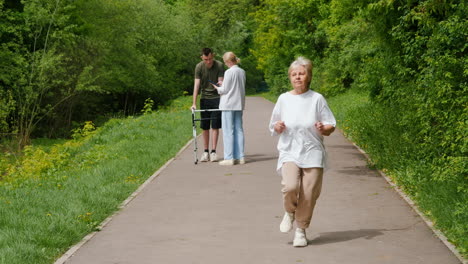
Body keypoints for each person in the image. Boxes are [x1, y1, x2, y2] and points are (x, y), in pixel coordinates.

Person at [269, 57, 336, 247]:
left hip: (313, 150)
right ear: (290, 77)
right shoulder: (284, 99)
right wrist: (278, 126)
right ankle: (290, 212)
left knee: (309, 192)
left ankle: (301, 229)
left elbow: (331, 125)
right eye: (294, 74)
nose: (297, 77)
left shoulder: (317, 99)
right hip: (290, 150)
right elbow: (273, 125)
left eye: (301, 73)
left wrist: (324, 128)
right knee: (290, 186)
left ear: (308, 76)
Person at [211, 52, 246, 166]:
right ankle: (240, 157)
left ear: (229, 61)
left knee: (227, 131)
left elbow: (224, 90)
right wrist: (223, 83)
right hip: (238, 103)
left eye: (226, 62)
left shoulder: (229, 72)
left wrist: (217, 87)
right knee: (239, 130)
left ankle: (229, 157)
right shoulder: (242, 72)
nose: (226, 64)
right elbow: (235, 86)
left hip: (228, 104)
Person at [191, 48, 225, 162]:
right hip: (204, 98)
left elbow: (221, 84)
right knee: (205, 126)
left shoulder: (219, 65)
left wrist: (222, 99)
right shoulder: (199, 67)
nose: (209, 62)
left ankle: (213, 151)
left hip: (216, 98)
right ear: (202, 57)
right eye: (206, 59)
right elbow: (196, 85)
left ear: (213, 56)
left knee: (215, 125)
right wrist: (194, 103)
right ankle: (205, 152)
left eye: (210, 59)